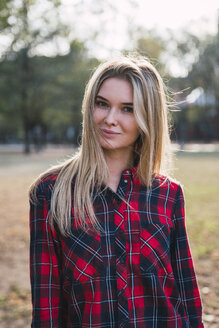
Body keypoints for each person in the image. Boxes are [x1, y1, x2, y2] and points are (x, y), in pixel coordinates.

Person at [29, 55, 204, 328]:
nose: (110, 119)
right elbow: (46, 309)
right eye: (102, 104)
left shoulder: (168, 195)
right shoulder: (51, 193)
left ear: (148, 117)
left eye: (127, 109)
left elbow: (187, 297)